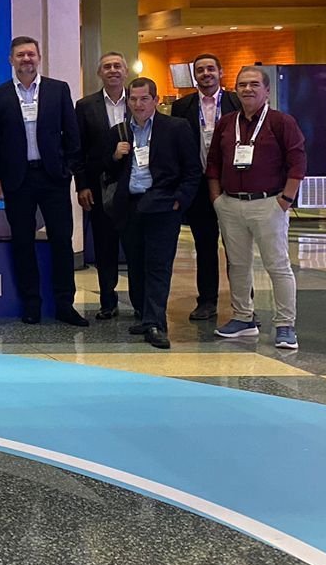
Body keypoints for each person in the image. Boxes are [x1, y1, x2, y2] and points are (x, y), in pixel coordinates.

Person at [0, 36, 89, 327]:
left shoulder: (58, 89)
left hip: (53, 177)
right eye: (20, 55)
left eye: (31, 54)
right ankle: (31, 304)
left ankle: (65, 304)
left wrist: (68, 169)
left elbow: (72, 133)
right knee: (23, 242)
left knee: (61, 240)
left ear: (39, 57)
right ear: (11, 60)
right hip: (17, 179)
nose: (26, 59)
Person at [206, 65, 307, 350]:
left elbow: (298, 162)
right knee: (238, 265)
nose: (247, 89)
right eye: (242, 85)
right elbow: (213, 163)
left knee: (277, 265)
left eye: (253, 84)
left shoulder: (281, 122)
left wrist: (285, 200)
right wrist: (217, 199)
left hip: (269, 203)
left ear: (267, 90)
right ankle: (243, 318)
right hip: (231, 203)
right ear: (235, 90)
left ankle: (285, 324)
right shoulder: (227, 123)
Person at [102, 77, 202, 350]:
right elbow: (107, 170)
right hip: (130, 206)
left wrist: (179, 201)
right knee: (135, 265)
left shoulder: (175, 128)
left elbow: (192, 170)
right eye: (133, 99)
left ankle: (156, 323)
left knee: (158, 266)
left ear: (155, 100)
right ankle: (145, 315)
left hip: (163, 206)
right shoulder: (120, 131)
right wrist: (114, 156)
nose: (138, 104)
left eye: (144, 99)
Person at [170, 53, 242, 321]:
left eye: (211, 68)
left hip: (233, 184)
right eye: (200, 70)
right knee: (204, 245)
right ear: (195, 76)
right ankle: (207, 301)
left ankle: (243, 303)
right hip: (199, 185)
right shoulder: (182, 107)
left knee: (238, 247)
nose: (206, 74)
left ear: (221, 72)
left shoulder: (236, 102)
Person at [76, 52, 131, 320]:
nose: (112, 70)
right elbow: (79, 149)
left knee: (135, 246)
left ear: (126, 71)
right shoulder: (85, 106)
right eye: (107, 67)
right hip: (99, 185)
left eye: (117, 66)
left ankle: (140, 301)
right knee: (104, 246)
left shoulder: (139, 100)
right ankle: (108, 301)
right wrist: (82, 185)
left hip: (135, 186)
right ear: (99, 73)